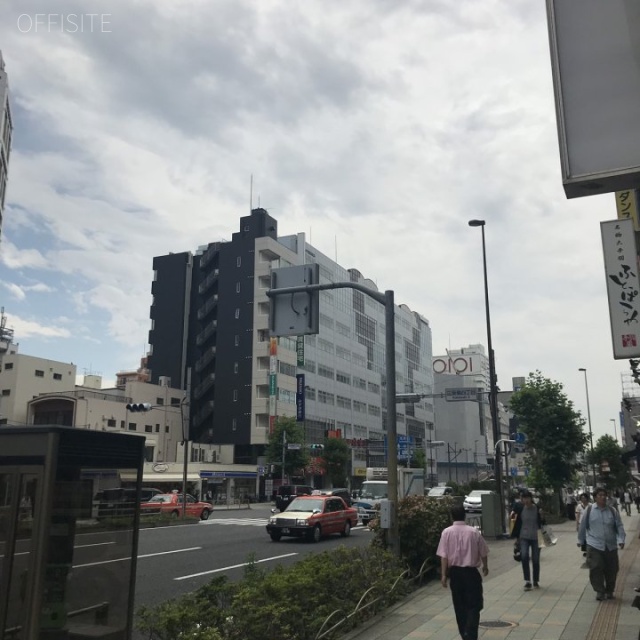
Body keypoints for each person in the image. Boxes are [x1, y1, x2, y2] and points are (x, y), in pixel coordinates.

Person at [437, 504, 489, 640]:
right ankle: (471, 633)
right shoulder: (473, 532)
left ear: (451, 516)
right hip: (471, 573)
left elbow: (444, 556)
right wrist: (485, 566)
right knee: (474, 604)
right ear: (465, 516)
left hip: (455, 574)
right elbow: (483, 551)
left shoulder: (446, 532)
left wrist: (443, 575)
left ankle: (464, 634)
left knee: (459, 605)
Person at [577, 486, 626, 601]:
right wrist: (580, 540)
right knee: (596, 567)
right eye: (600, 495)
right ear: (595, 498)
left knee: (612, 569)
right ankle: (599, 591)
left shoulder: (612, 511)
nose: (603, 497)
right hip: (594, 545)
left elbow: (619, 526)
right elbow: (582, 526)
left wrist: (621, 539)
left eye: (604, 495)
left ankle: (609, 590)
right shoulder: (589, 511)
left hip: (611, 545)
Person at [510, 490, 544, 590]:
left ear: (531, 498)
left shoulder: (536, 508)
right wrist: (516, 538)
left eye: (527, 498)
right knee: (524, 556)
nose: (525, 500)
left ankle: (536, 580)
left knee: (536, 559)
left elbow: (542, 522)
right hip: (523, 537)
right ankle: (527, 581)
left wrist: (542, 516)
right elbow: (514, 522)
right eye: (523, 498)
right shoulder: (520, 509)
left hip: (537, 537)